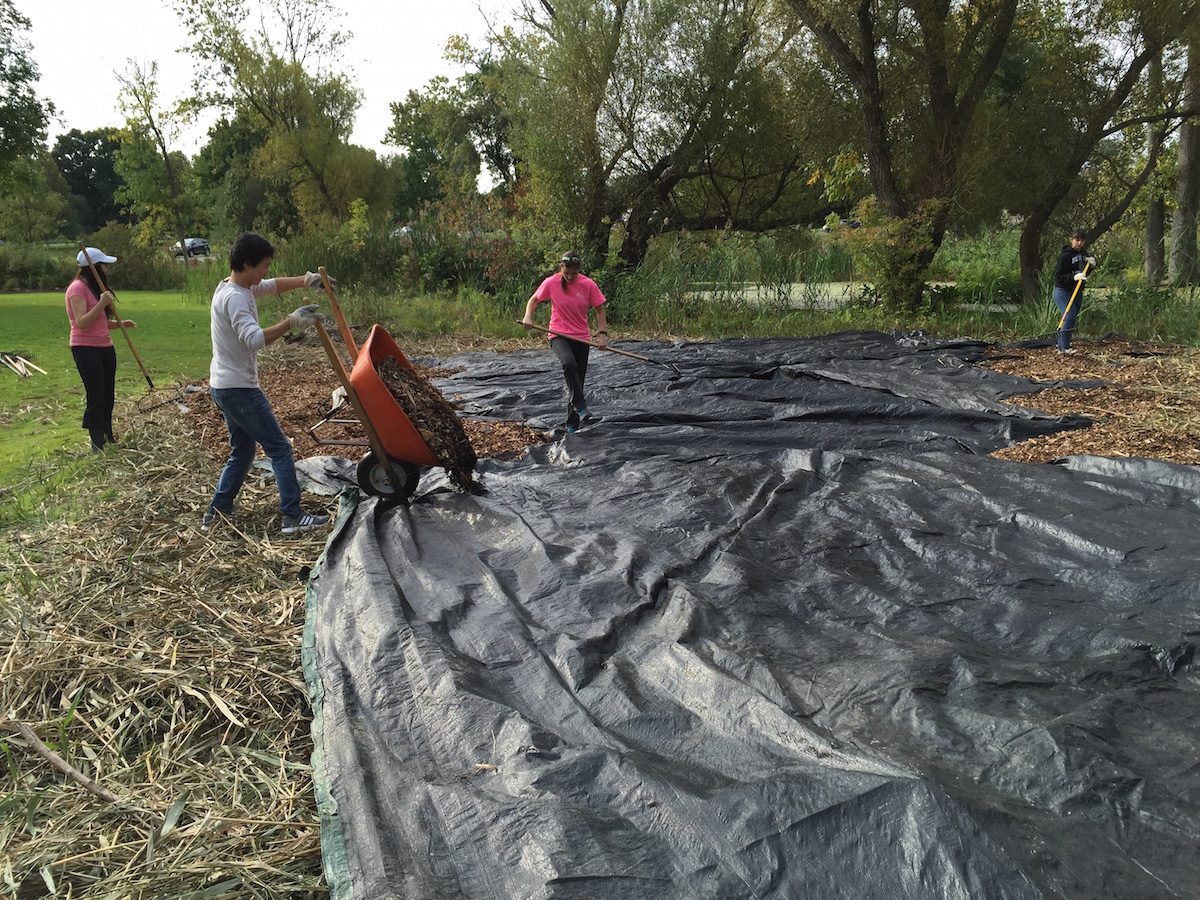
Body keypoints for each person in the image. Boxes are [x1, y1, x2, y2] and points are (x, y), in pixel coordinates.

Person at [203, 231, 333, 534]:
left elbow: (271, 286)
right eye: (263, 265)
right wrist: (292, 322)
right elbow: (253, 339)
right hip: (239, 389)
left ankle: (216, 515)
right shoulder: (235, 298)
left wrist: (306, 280)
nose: (266, 272)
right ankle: (292, 517)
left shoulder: (234, 285)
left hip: (222, 385)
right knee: (280, 448)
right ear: (247, 264)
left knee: (243, 451)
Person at [522, 250, 609, 433]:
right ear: (561, 269)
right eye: (566, 273)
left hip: (581, 337)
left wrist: (602, 334)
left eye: (573, 274)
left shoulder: (588, 285)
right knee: (569, 364)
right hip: (558, 334)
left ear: (579, 270)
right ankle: (580, 406)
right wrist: (528, 316)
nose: (569, 277)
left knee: (577, 380)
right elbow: (534, 300)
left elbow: (600, 310)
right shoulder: (551, 282)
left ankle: (572, 425)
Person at [66, 247, 137, 452]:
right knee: (96, 395)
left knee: (108, 395)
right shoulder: (77, 288)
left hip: (105, 347)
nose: (107, 268)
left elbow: (101, 323)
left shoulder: (96, 288)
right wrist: (101, 303)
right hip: (85, 349)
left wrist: (121, 323)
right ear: (94, 267)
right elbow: (82, 323)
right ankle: (96, 442)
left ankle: (108, 435)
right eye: (104, 265)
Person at [1052, 229, 1096, 354]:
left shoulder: (1084, 254)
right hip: (1063, 290)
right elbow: (1059, 276)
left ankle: (1065, 345)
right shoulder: (1065, 255)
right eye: (1077, 240)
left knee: (1072, 318)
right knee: (1069, 316)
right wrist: (1073, 277)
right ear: (1071, 240)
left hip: (1077, 291)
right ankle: (1063, 348)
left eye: (1082, 240)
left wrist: (1090, 267)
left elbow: (1084, 273)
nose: (1079, 243)